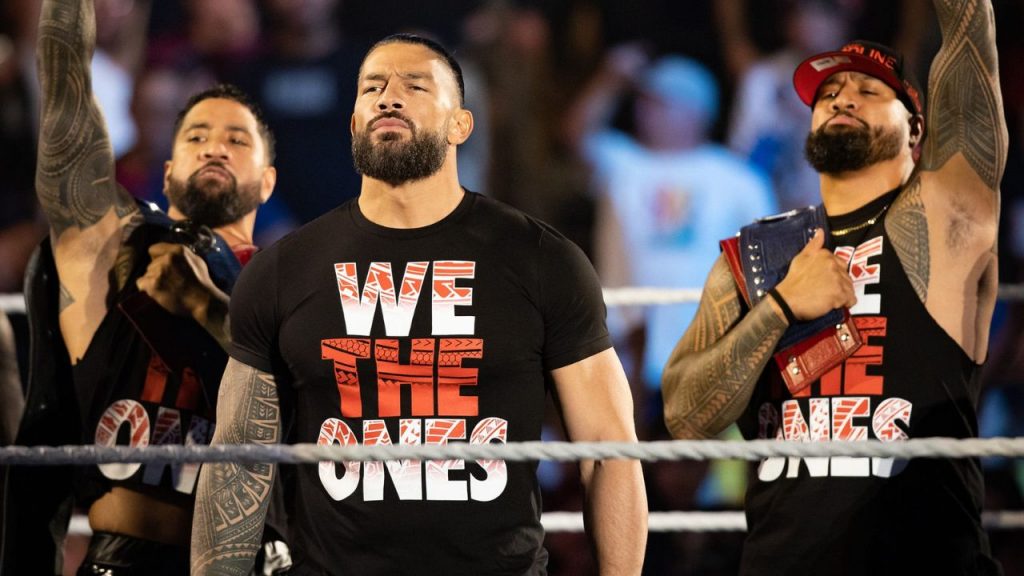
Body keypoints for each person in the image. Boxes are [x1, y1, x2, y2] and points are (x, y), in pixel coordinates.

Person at [191, 33, 648, 575]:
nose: (388, 97)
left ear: (461, 125)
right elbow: (238, 461)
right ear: (354, 124)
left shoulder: (541, 259)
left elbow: (607, 449)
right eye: (372, 88)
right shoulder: (283, 271)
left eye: (415, 86)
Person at [662, 0, 1006, 573]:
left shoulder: (948, 224)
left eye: (869, 91)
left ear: (917, 130)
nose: (842, 98)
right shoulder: (758, 253)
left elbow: (969, 33)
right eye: (828, 94)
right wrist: (779, 307)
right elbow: (684, 417)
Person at [0, 0, 278, 574]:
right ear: (167, 171)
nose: (215, 146)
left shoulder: (292, 282)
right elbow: (69, 128)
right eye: (195, 135)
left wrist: (205, 307)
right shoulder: (119, 250)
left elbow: (308, 401)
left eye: (237, 139)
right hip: (119, 559)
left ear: (267, 181)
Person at [564, 46, 774, 423]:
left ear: (697, 112)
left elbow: (768, 262)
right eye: (643, 102)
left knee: (702, 454)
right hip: (624, 347)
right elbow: (575, 134)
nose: (645, 112)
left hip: (711, 351)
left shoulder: (739, 179)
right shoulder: (622, 163)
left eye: (660, 103)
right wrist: (609, 81)